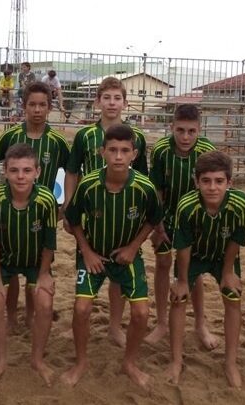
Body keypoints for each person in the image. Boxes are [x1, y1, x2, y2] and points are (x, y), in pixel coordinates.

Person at [61, 124, 162, 391]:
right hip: (92, 255)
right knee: (82, 308)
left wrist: (133, 247)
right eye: (113, 150)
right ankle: (80, 363)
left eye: (124, 151)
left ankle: (130, 363)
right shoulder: (89, 184)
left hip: (127, 257)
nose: (118, 156)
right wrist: (86, 250)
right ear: (102, 152)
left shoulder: (144, 187)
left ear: (134, 154)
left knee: (141, 313)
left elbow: (153, 219)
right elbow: (73, 221)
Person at [63, 76, 148, 347]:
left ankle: (114, 325)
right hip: (90, 209)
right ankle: (80, 319)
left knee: (118, 268)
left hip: (124, 210)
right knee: (88, 260)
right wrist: (68, 205)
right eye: (107, 97)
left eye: (117, 98)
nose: (112, 103)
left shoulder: (137, 138)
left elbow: (143, 178)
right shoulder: (85, 135)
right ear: (98, 101)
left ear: (125, 102)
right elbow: (73, 171)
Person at [166, 151, 245, 387]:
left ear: (229, 182)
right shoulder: (187, 205)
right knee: (179, 298)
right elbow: (183, 247)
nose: (212, 187)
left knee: (233, 297)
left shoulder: (241, 203)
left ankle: (230, 362)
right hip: (194, 256)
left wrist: (227, 272)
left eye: (219, 181)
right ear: (197, 182)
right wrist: (182, 280)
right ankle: (176, 360)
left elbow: (236, 239)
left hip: (224, 255)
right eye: (206, 181)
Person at [0, 81, 69, 332]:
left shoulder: (58, 141)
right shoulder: (9, 136)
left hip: (41, 214)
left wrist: (64, 207)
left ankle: (29, 314)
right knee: (12, 267)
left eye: (42, 105)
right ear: (24, 106)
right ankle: (11, 316)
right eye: (32, 104)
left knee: (36, 266)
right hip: (12, 211)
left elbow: (70, 173)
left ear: (50, 108)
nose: (37, 110)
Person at [145, 104, 218, 348]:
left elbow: (211, 191)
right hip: (166, 218)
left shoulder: (207, 151)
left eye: (191, 131)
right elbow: (156, 190)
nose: (185, 137)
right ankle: (162, 323)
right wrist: (157, 225)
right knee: (163, 264)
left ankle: (200, 325)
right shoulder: (161, 150)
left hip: (195, 221)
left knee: (192, 272)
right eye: (180, 130)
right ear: (171, 127)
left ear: (199, 129)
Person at [0, 143, 59, 386]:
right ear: (4, 171)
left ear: (37, 172)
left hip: (35, 261)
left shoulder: (47, 199)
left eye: (27, 170)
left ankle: (37, 360)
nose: (20, 176)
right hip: (3, 260)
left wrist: (45, 273)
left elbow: (49, 241)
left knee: (45, 302)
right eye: (14, 170)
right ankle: (0, 361)